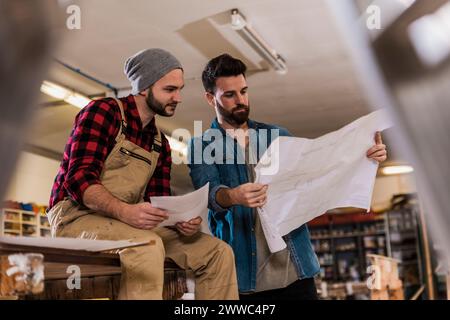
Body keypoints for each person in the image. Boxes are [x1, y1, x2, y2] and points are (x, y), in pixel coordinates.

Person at [188, 53, 388, 300]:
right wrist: (234, 195)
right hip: (244, 279)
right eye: (230, 95)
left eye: (244, 91)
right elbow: (208, 194)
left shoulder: (278, 136)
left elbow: (318, 171)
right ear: (210, 98)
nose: (241, 100)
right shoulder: (202, 145)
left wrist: (363, 155)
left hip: (296, 270)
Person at [46, 49, 239, 300]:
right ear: (144, 87)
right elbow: (79, 179)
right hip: (76, 218)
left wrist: (178, 221)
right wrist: (125, 211)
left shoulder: (161, 143)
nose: (178, 97)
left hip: (127, 223)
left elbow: (157, 203)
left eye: (179, 89)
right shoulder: (103, 112)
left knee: (218, 252)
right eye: (170, 90)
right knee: (146, 245)